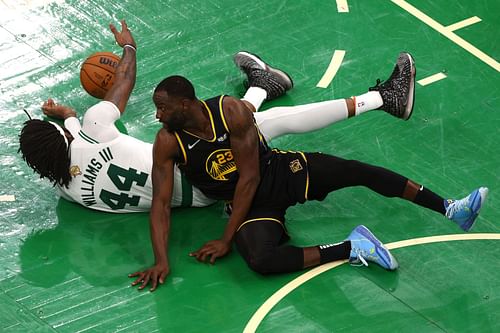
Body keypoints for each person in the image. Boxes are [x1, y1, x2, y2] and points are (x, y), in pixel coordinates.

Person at [130, 51, 488, 291]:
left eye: (162, 108)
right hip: (252, 208)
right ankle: (353, 246)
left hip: (279, 172)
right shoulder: (168, 142)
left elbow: (251, 177)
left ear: (186, 103)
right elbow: (160, 204)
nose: (158, 116)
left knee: (358, 171)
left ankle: (451, 208)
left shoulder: (229, 112)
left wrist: (225, 238)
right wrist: (161, 260)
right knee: (260, 260)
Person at [19, 25, 415, 214]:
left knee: (239, 117)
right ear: (65, 135)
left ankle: (264, 83)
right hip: (210, 174)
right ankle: (383, 98)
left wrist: (66, 118)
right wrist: (127, 47)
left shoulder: (64, 188)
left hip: (196, 195)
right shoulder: (93, 127)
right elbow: (120, 85)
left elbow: (73, 147)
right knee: (262, 123)